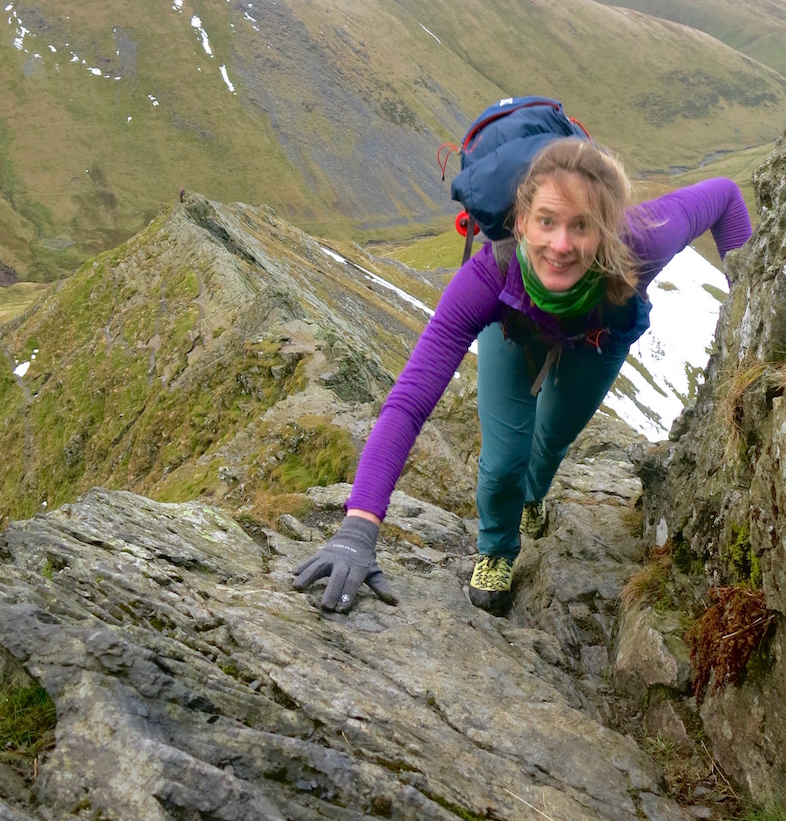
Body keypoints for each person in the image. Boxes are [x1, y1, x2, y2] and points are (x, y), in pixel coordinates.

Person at [292, 137, 752, 616]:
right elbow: (409, 402)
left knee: (553, 437)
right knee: (502, 461)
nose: (561, 244)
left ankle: (534, 497)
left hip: (601, 335)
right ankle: (496, 550)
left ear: (608, 229)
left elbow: (724, 196)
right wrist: (358, 528)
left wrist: (750, 311)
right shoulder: (488, 276)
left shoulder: (644, 240)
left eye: (582, 226)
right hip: (513, 328)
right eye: (546, 221)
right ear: (521, 219)